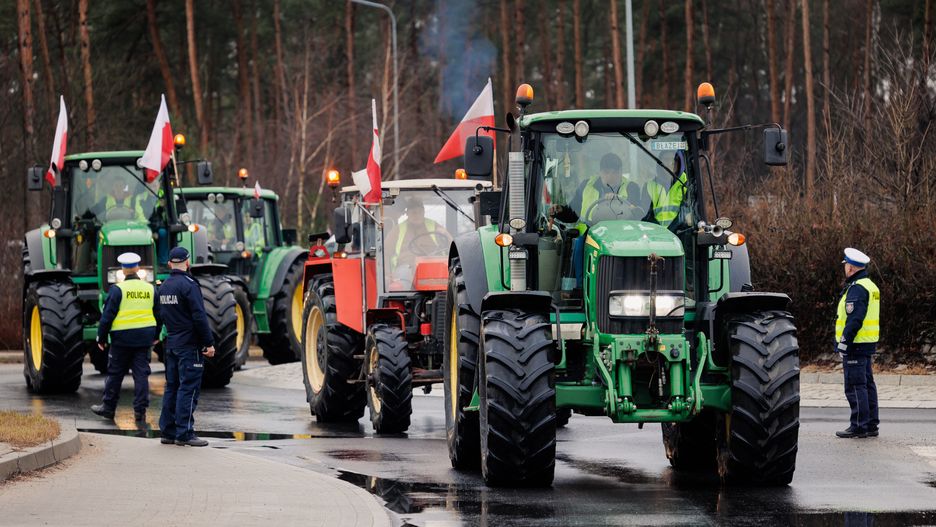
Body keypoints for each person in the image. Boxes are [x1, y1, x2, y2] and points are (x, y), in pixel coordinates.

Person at [91, 252, 160, 422]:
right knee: (141, 375)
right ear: (137, 268)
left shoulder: (117, 290)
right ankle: (140, 412)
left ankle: (108, 408)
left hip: (121, 339)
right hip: (144, 338)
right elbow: (159, 315)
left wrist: (101, 337)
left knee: (115, 374)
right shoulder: (150, 288)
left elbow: (107, 316)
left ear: (123, 270)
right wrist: (156, 335)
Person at [158, 247, 216, 447]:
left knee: (171, 387)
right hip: (189, 345)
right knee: (188, 389)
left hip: (172, 343)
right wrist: (208, 343)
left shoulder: (164, 286)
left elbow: (160, 315)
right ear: (187, 262)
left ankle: (168, 431)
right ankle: (185, 433)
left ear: (169, 264)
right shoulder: (189, 285)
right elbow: (199, 316)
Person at [835, 247, 881, 439]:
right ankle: (870, 424)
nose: (844, 268)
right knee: (867, 384)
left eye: (846, 265)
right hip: (866, 342)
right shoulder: (870, 286)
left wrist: (844, 342)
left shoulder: (857, 288)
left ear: (852, 268)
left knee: (855, 386)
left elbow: (854, 319)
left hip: (856, 344)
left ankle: (859, 425)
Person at [647, 150, 688, 227]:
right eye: (666, 160)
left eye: (672, 160)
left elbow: (687, 214)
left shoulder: (687, 184)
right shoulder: (649, 186)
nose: (669, 163)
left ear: (678, 163)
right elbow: (646, 215)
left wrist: (671, 231)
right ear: (660, 164)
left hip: (680, 233)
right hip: (655, 234)